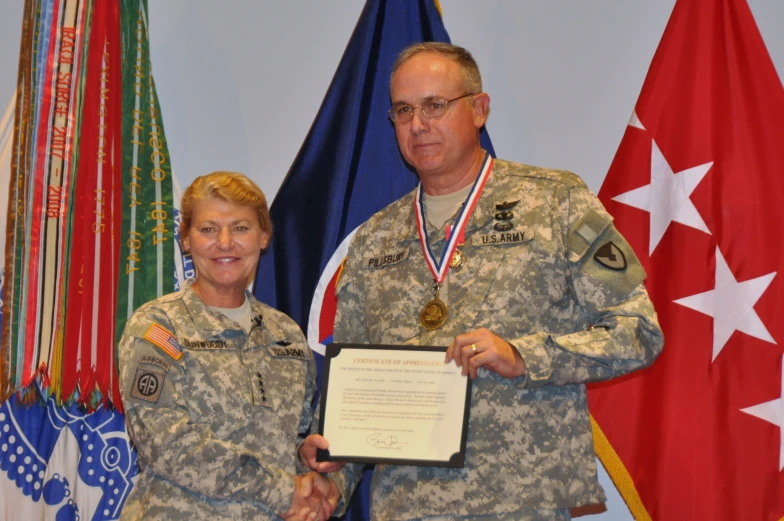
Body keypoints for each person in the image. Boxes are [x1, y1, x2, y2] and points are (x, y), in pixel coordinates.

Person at [300, 43, 664, 521]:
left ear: (478, 109)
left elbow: (638, 330)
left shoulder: (554, 203)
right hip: (407, 507)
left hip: (520, 502)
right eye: (403, 110)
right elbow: (355, 394)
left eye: (435, 105)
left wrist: (524, 356)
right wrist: (334, 473)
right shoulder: (372, 240)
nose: (418, 124)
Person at [118, 172, 339, 521]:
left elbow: (292, 437)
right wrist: (284, 492)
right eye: (208, 229)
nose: (225, 243)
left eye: (240, 228)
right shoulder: (158, 327)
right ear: (186, 239)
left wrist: (307, 457)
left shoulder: (287, 333)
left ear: (263, 237)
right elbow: (167, 444)